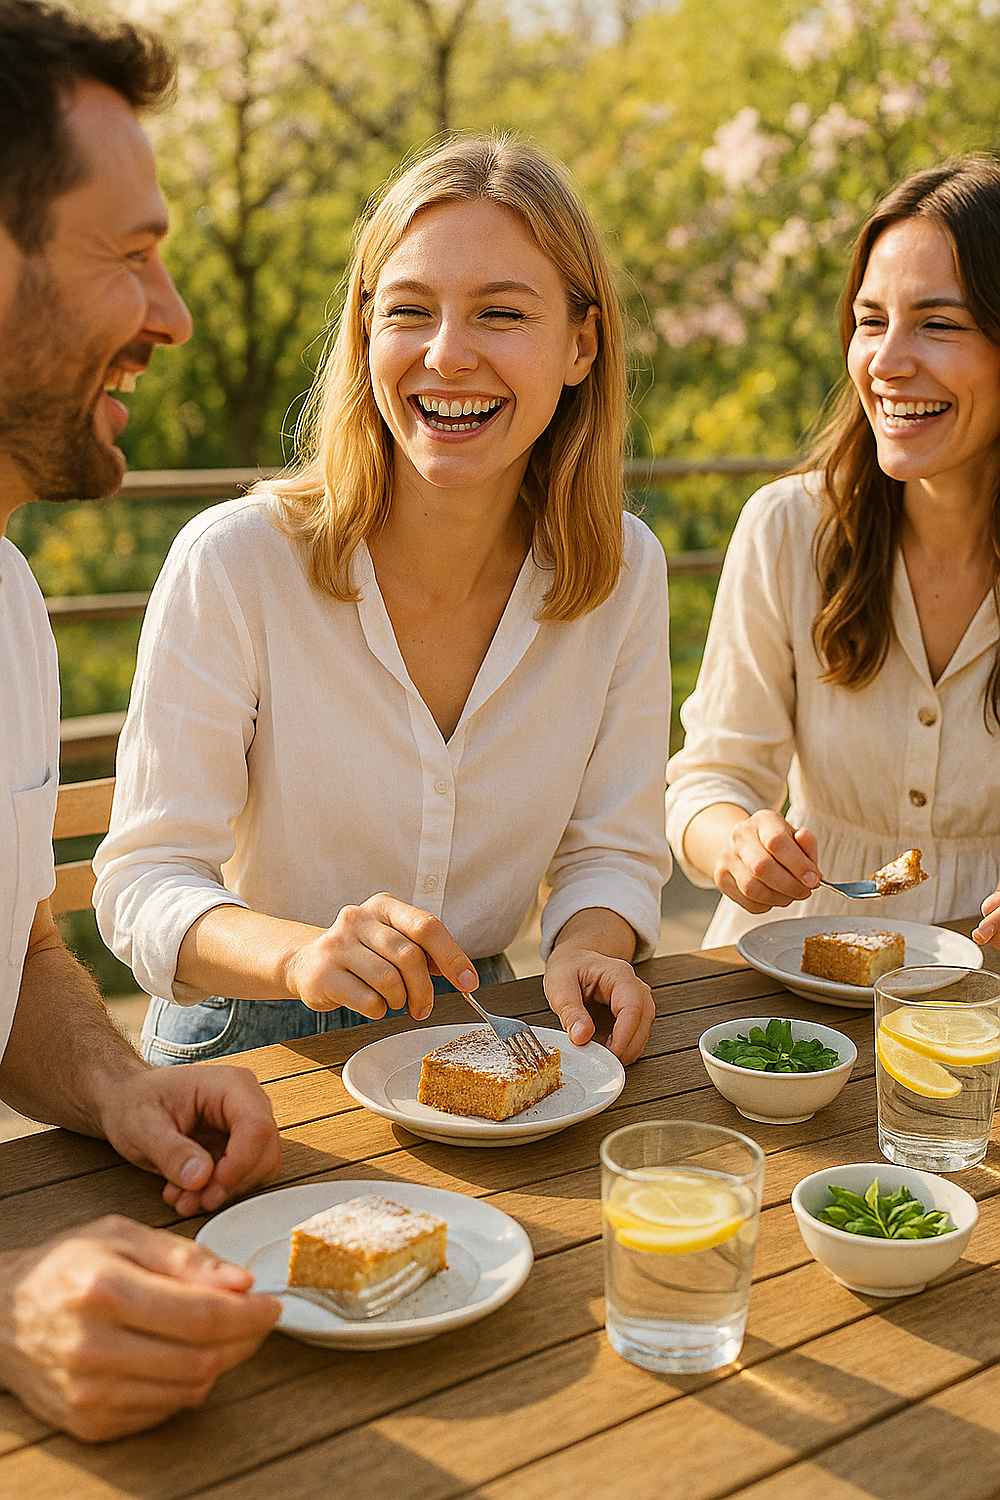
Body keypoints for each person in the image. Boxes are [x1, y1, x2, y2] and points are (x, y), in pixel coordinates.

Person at [93, 135, 672, 1069]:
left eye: (500, 314)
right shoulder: (235, 561)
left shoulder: (624, 573)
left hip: (487, 1025)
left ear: (580, 344)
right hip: (245, 1050)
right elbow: (142, 882)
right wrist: (300, 956)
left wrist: (586, 950)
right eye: (410, 310)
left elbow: (613, 851)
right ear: (366, 337)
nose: (448, 355)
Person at [0, 2, 281, 1442]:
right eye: (134, 255)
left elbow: (15, 948)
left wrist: (121, 1086)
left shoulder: (8, 605)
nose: (172, 317)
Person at [665, 155, 1000, 951]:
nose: (885, 362)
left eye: (939, 324)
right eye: (871, 319)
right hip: (788, 973)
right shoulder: (788, 528)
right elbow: (710, 780)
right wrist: (735, 844)